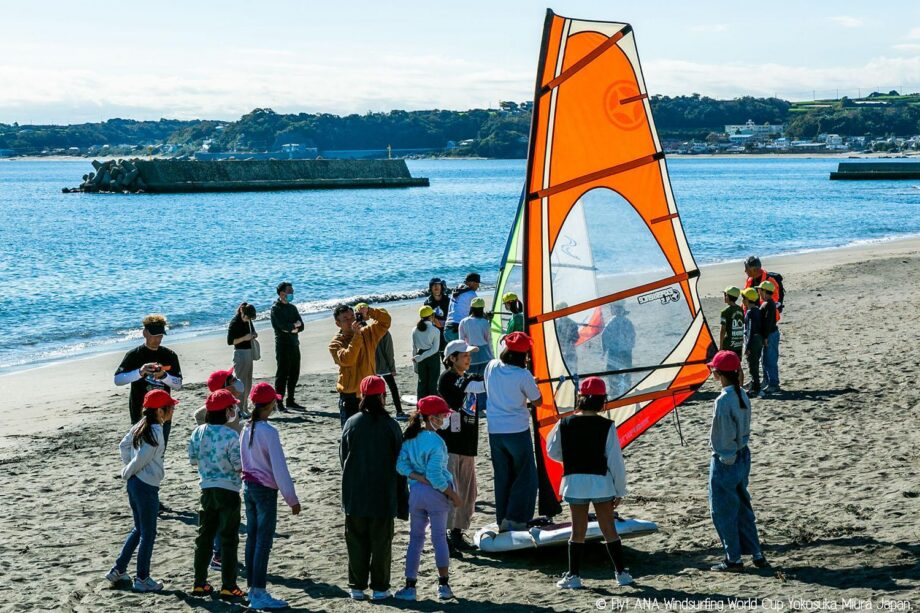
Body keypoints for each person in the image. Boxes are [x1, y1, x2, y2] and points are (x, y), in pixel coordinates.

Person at [546, 377, 633, 589]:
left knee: (578, 531)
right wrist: (620, 490)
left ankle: (574, 576)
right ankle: (621, 574)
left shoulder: (564, 423)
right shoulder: (607, 426)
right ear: (602, 400)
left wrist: (571, 460)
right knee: (608, 529)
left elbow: (552, 451)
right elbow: (615, 461)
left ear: (580, 398)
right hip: (601, 482)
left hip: (574, 482)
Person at [105, 390, 177, 593]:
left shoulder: (141, 424)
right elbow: (142, 458)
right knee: (148, 533)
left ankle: (118, 570)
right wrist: (129, 471)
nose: (173, 410)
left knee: (139, 529)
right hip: (145, 486)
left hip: (137, 484)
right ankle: (142, 578)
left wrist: (131, 470)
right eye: (170, 407)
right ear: (160, 411)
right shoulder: (155, 430)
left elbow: (124, 445)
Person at [340, 376, 404, 602]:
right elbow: (400, 463)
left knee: (356, 542)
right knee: (381, 543)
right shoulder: (390, 425)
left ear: (362, 397)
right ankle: (380, 588)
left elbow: (343, 458)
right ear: (383, 397)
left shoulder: (352, 423)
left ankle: (357, 587)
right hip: (382, 494)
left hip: (355, 493)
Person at [706, 350, 769, 572]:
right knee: (743, 506)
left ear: (717, 373)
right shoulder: (742, 394)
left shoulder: (723, 400)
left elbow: (722, 435)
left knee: (723, 510)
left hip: (728, 459)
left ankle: (733, 558)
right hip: (743, 456)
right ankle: (757, 553)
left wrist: (725, 457)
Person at [395, 396, 463, 601]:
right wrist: (453, 495)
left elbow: (401, 466)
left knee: (415, 540)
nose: (444, 419)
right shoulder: (436, 441)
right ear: (431, 417)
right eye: (442, 416)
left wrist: (417, 478)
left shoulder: (410, 438)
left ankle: (410, 586)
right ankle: (443, 586)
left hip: (416, 494)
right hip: (436, 495)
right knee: (439, 538)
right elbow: (436, 476)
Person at [241, 382, 302, 610]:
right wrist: (292, 499)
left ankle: (252, 588)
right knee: (263, 542)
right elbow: (279, 468)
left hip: (248, 487)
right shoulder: (269, 432)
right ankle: (258, 591)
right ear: (271, 405)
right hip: (265, 490)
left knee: (252, 538)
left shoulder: (247, 427)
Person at [188, 389, 245, 601]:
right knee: (229, 538)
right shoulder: (231, 435)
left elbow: (193, 459)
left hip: (206, 489)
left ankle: (199, 583)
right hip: (228, 490)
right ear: (226, 411)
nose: (234, 410)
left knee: (204, 537)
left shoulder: (198, 432)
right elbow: (238, 466)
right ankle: (228, 586)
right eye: (232, 407)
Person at [484, 332, 541, 532]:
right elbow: (538, 401)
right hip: (517, 431)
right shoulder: (523, 375)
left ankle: (503, 519)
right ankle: (515, 519)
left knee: (503, 476)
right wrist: (532, 382)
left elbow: (495, 388)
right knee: (526, 476)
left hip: (494, 431)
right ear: (524, 355)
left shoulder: (491, 366)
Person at [437, 340, 485, 557]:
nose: (469, 358)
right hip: (451, 444)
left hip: (467, 443)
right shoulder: (448, 378)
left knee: (468, 491)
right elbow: (476, 386)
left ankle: (457, 532)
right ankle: (446, 535)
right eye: (464, 355)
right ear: (452, 358)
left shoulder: (466, 377)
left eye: (469, 355)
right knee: (452, 491)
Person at [114, 314, 182, 445]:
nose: (157, 339)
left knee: (160, 450)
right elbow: (118, 380)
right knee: (141, 450)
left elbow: (178, 385)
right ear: (145, 333)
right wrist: (140, 372)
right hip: (140, 410)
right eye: (154, 335)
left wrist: (163, 376)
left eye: (160, 335)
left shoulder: (170, 355)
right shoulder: (134, 355)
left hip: (164, 412)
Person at [329, 303, 392, 427]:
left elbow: (386, 321)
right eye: (345, 319)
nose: (351, 321)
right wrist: (357, 335)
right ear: (338, 323)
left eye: (352, 316)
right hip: (350, 395)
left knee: (374, 430)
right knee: (351, 433)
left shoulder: (368, 333)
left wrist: (369, 312)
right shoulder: (336, 343)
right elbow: (348, 359)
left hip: (370, 392)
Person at [271, 282, 305, 410]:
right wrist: (292, 327)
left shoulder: (292, 308)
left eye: (292, 291)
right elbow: (281, 326)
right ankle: (279, 402)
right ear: (282, 293)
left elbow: (301, 325)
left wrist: (293, 328)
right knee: (282, 374)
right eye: (290, 291)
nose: (292, 293)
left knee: (294, 373)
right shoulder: (276, 308)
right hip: (282, 345)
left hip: (294, 343)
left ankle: (291, 400)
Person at [458, 297, 492, 416]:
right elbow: (488, 339)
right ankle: (483, 407)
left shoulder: (464, 322)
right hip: (484, 354)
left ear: (471, 308)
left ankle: (473, 407)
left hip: (470, 353)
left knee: (470, 382)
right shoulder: (485, 322)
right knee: (483, 382)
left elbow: (461, 340)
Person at [227, 302, 258, 417]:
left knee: (248, 382)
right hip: (240, 353)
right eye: (247, 317)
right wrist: (245, 338)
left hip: (249, 352)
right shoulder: (235, 322)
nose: (248, 320)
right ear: (242, 312)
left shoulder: (248, 320)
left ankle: (244, 407)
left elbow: (252, 332)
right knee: (240, 382)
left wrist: (253, 335)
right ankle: (238, 409)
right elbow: (230, 341)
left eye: (250, 318)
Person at [601, 302, 636, 398]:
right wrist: (629, 347)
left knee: (612, 371)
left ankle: (614, 392)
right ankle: (627, 390)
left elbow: (604, 336)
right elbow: (633, 336)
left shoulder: (611, 322)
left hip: (614, 352)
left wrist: (604, 351)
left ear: (613, 310)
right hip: (627, 351)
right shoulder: (628, 322)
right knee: (627, 371)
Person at [375, 328, 405, 419]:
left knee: (376, 390)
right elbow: (389, 352)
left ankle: (378, 411)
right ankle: (399, 412)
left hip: (372, 366)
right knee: (393, 389)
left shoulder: (370, 330)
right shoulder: (385, 333)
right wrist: (392, 368)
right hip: (385, 367)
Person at [412, 306, 442, 398]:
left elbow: (414, 348)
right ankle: (433, 406)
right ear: (431, 316)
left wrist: (415, 364)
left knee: (421, 383)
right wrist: (420, 357)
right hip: (432, 357)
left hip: (419, 356)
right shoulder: (435, 330)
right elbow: (435, 349)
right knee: (432, 383)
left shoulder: (414, 330)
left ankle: (420, 407)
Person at [758, 281, 781, 394]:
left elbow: (768, 323)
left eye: (760, 290)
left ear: (764, 291)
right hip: (770, 334)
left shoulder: (768, 304)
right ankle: (768, 382)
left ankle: (773, 384)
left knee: (770, 360)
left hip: (770, 335)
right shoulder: (769, 303)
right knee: (766, 360)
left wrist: (765, 337)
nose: (758, 292)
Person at [740, 288, 764, 398]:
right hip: (759, 340)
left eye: (743, 298)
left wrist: (747, 347)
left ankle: (756, 388)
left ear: (748, 300)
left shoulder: (750, 312)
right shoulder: (758, 311)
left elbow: (749, 330)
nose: (742, 300)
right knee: (755, 364)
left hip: (752, 341)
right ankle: (755, 384)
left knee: (752, 365)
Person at [444, 273, 480, 343]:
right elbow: (478, 313)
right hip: (458, 329)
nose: (478, 287)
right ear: (471, 283)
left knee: (453, 353)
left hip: (447, 329)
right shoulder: (472, 294)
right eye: (477, 284)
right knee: (468, 351)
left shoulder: (456, 290)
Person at [423, 277, 450, 352]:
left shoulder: (448, 300)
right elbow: (426, 319)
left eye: (438, 285)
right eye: (434, 285)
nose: (436, 286)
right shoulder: (428, 302)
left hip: (447, 328)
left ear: (442, 287)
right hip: (434, 330)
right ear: (430, 288)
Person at [554, 302, 580, 375]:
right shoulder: (572, 323)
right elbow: (576, 338)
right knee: (572, 375)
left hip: (561, 353)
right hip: (568, 353)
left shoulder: (554, 324)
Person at [720, 287, 745, 359]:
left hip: (729, 344)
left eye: (725, 295)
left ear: (727, 296)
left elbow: (723, 330)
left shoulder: (725, 311)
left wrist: (721, 346)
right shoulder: (740, 309)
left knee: (728, 365)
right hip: (738, 344)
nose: (724, 297)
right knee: (737, 365)